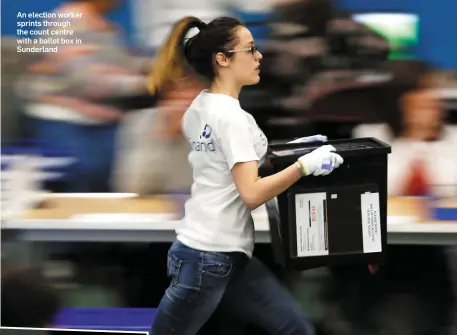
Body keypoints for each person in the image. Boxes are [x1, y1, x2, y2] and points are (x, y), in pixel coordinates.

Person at [147, 16, 344, 335]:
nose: (259, 56)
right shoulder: (232, 118)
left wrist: (294, 150)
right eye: (250, 50)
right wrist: (302, 167)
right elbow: (250, 192)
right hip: (209, 258)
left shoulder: (200, 107)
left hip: (224, 255)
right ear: (222, 60)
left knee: (296, 330)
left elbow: (232, 165)